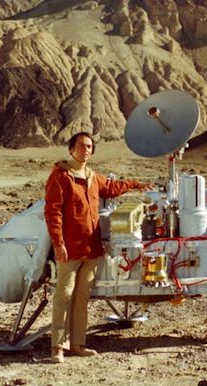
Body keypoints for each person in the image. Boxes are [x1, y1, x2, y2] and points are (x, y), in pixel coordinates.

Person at [44, 132, 152, 363]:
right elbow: (53, 213)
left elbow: (112, 187)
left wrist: (135, 184)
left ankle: (78, 344)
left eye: (90, 147)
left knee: (82, 297)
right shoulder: (61, 176)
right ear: (71, 149)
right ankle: (57, 347)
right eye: (82, 146)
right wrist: (58, 243)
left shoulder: (93, 177)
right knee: (64, 296)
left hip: (91, 249)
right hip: (69, 249)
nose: (86, 150)